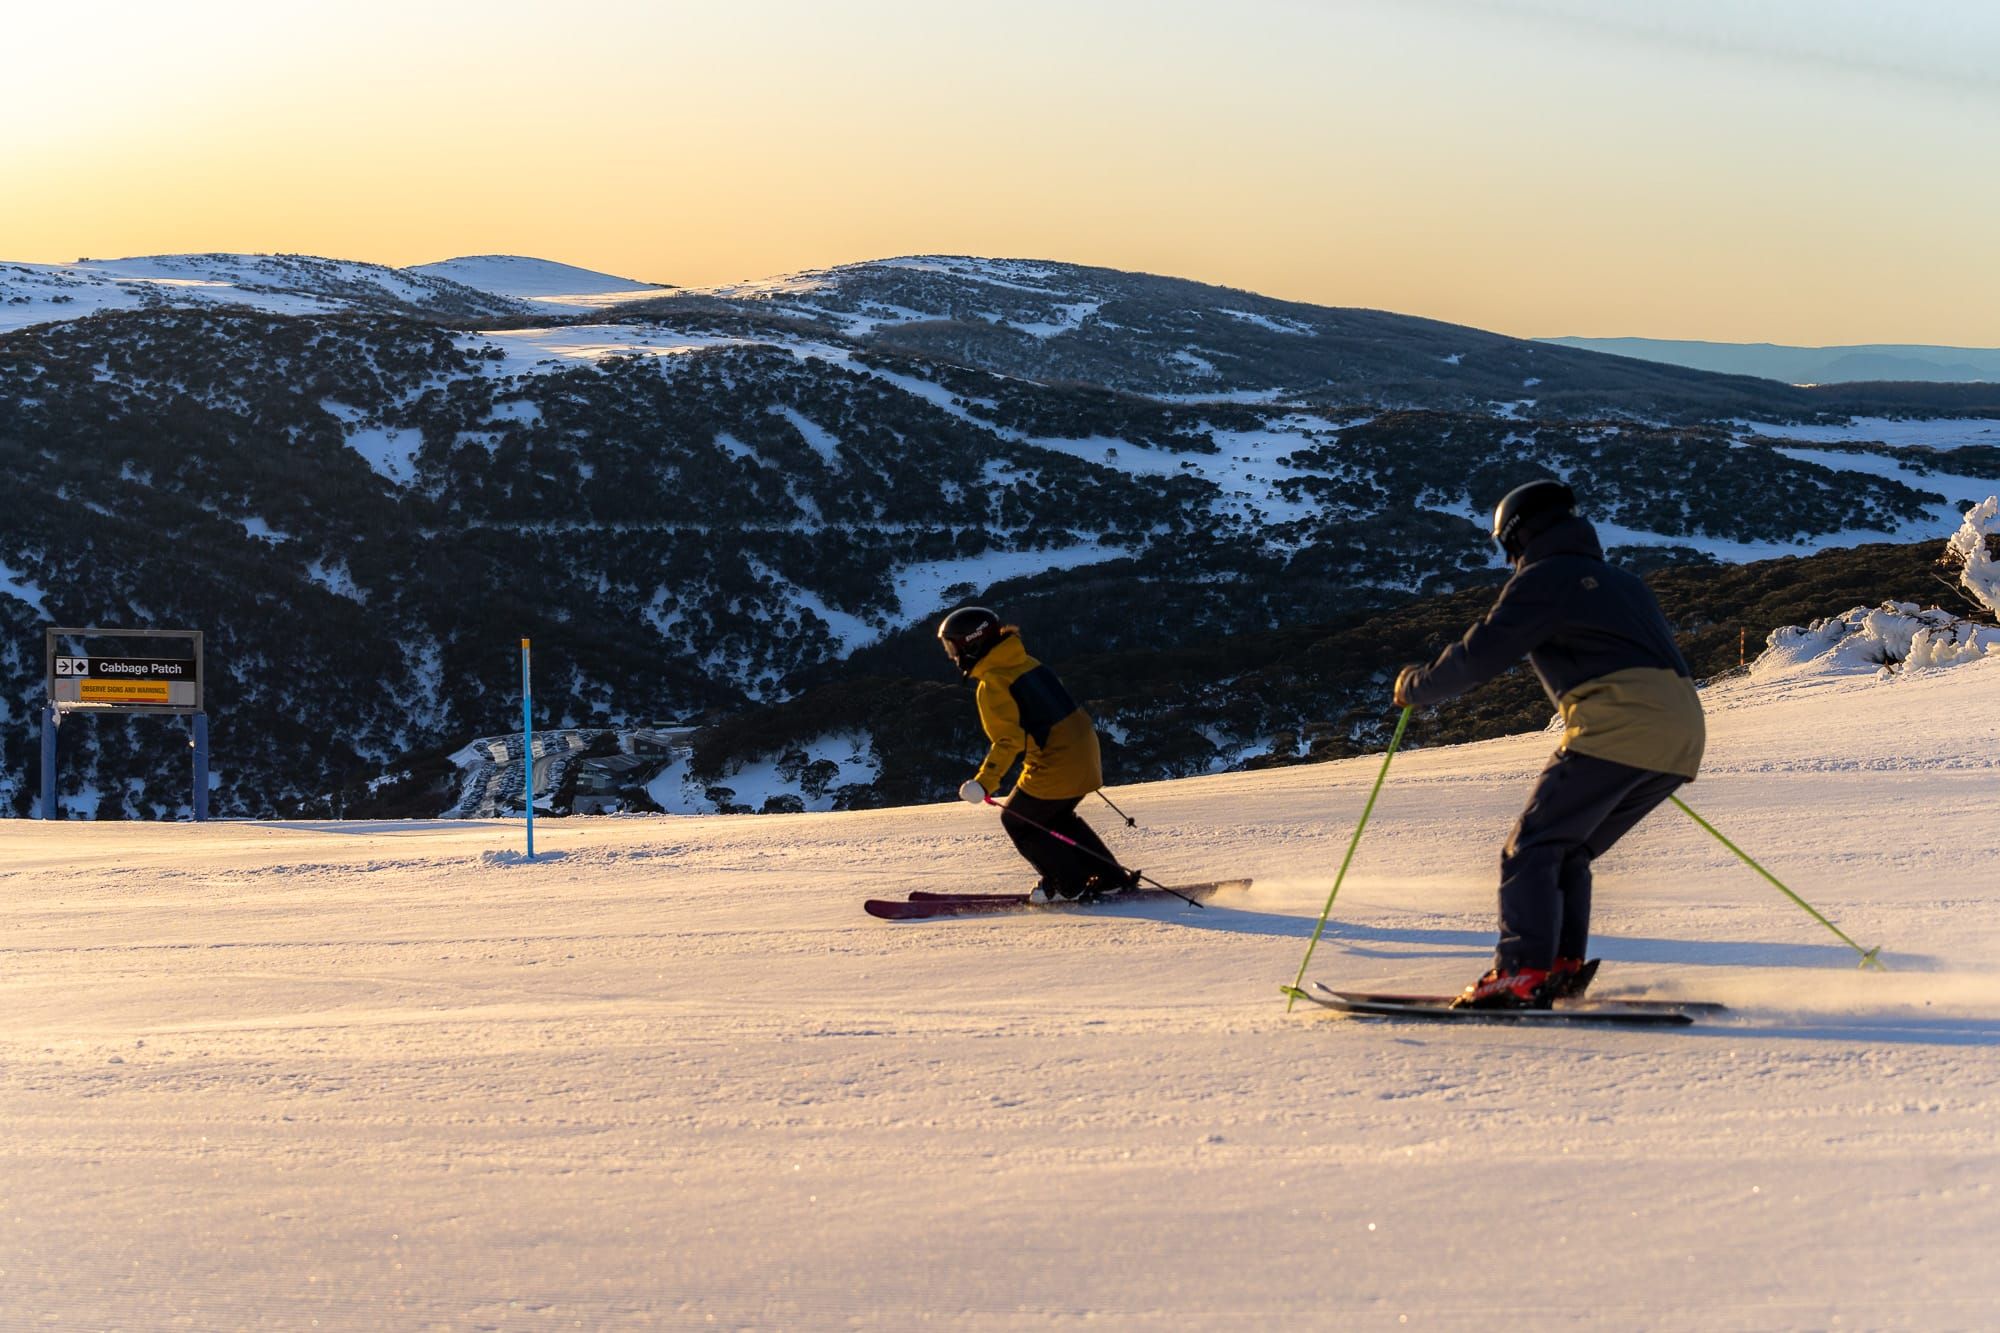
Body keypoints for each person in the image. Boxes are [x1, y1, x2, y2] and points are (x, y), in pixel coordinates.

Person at [1392, 480, 1705, 1009]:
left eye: (1506, 547)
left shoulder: (1545, 579)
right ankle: (1561, 968)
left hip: (1620, 726)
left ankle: (1520, 973)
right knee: (1569, 849)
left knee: (1532, 847)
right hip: (1682, 734)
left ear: (1518, 536)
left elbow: (1480, 656)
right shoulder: (1624, 582)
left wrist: (1416, 687)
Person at [937, 607, 1138, 902]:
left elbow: (1009, 741)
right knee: (1055, 817)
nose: (952, 655)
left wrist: (984, 783)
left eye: (952, 646)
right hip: (1085, 750)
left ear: (972, 644)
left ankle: (1070, 885)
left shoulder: (993, 683)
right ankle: (1109, 879)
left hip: (1059, 759)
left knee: (1017, 820)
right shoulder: (1024, 661)